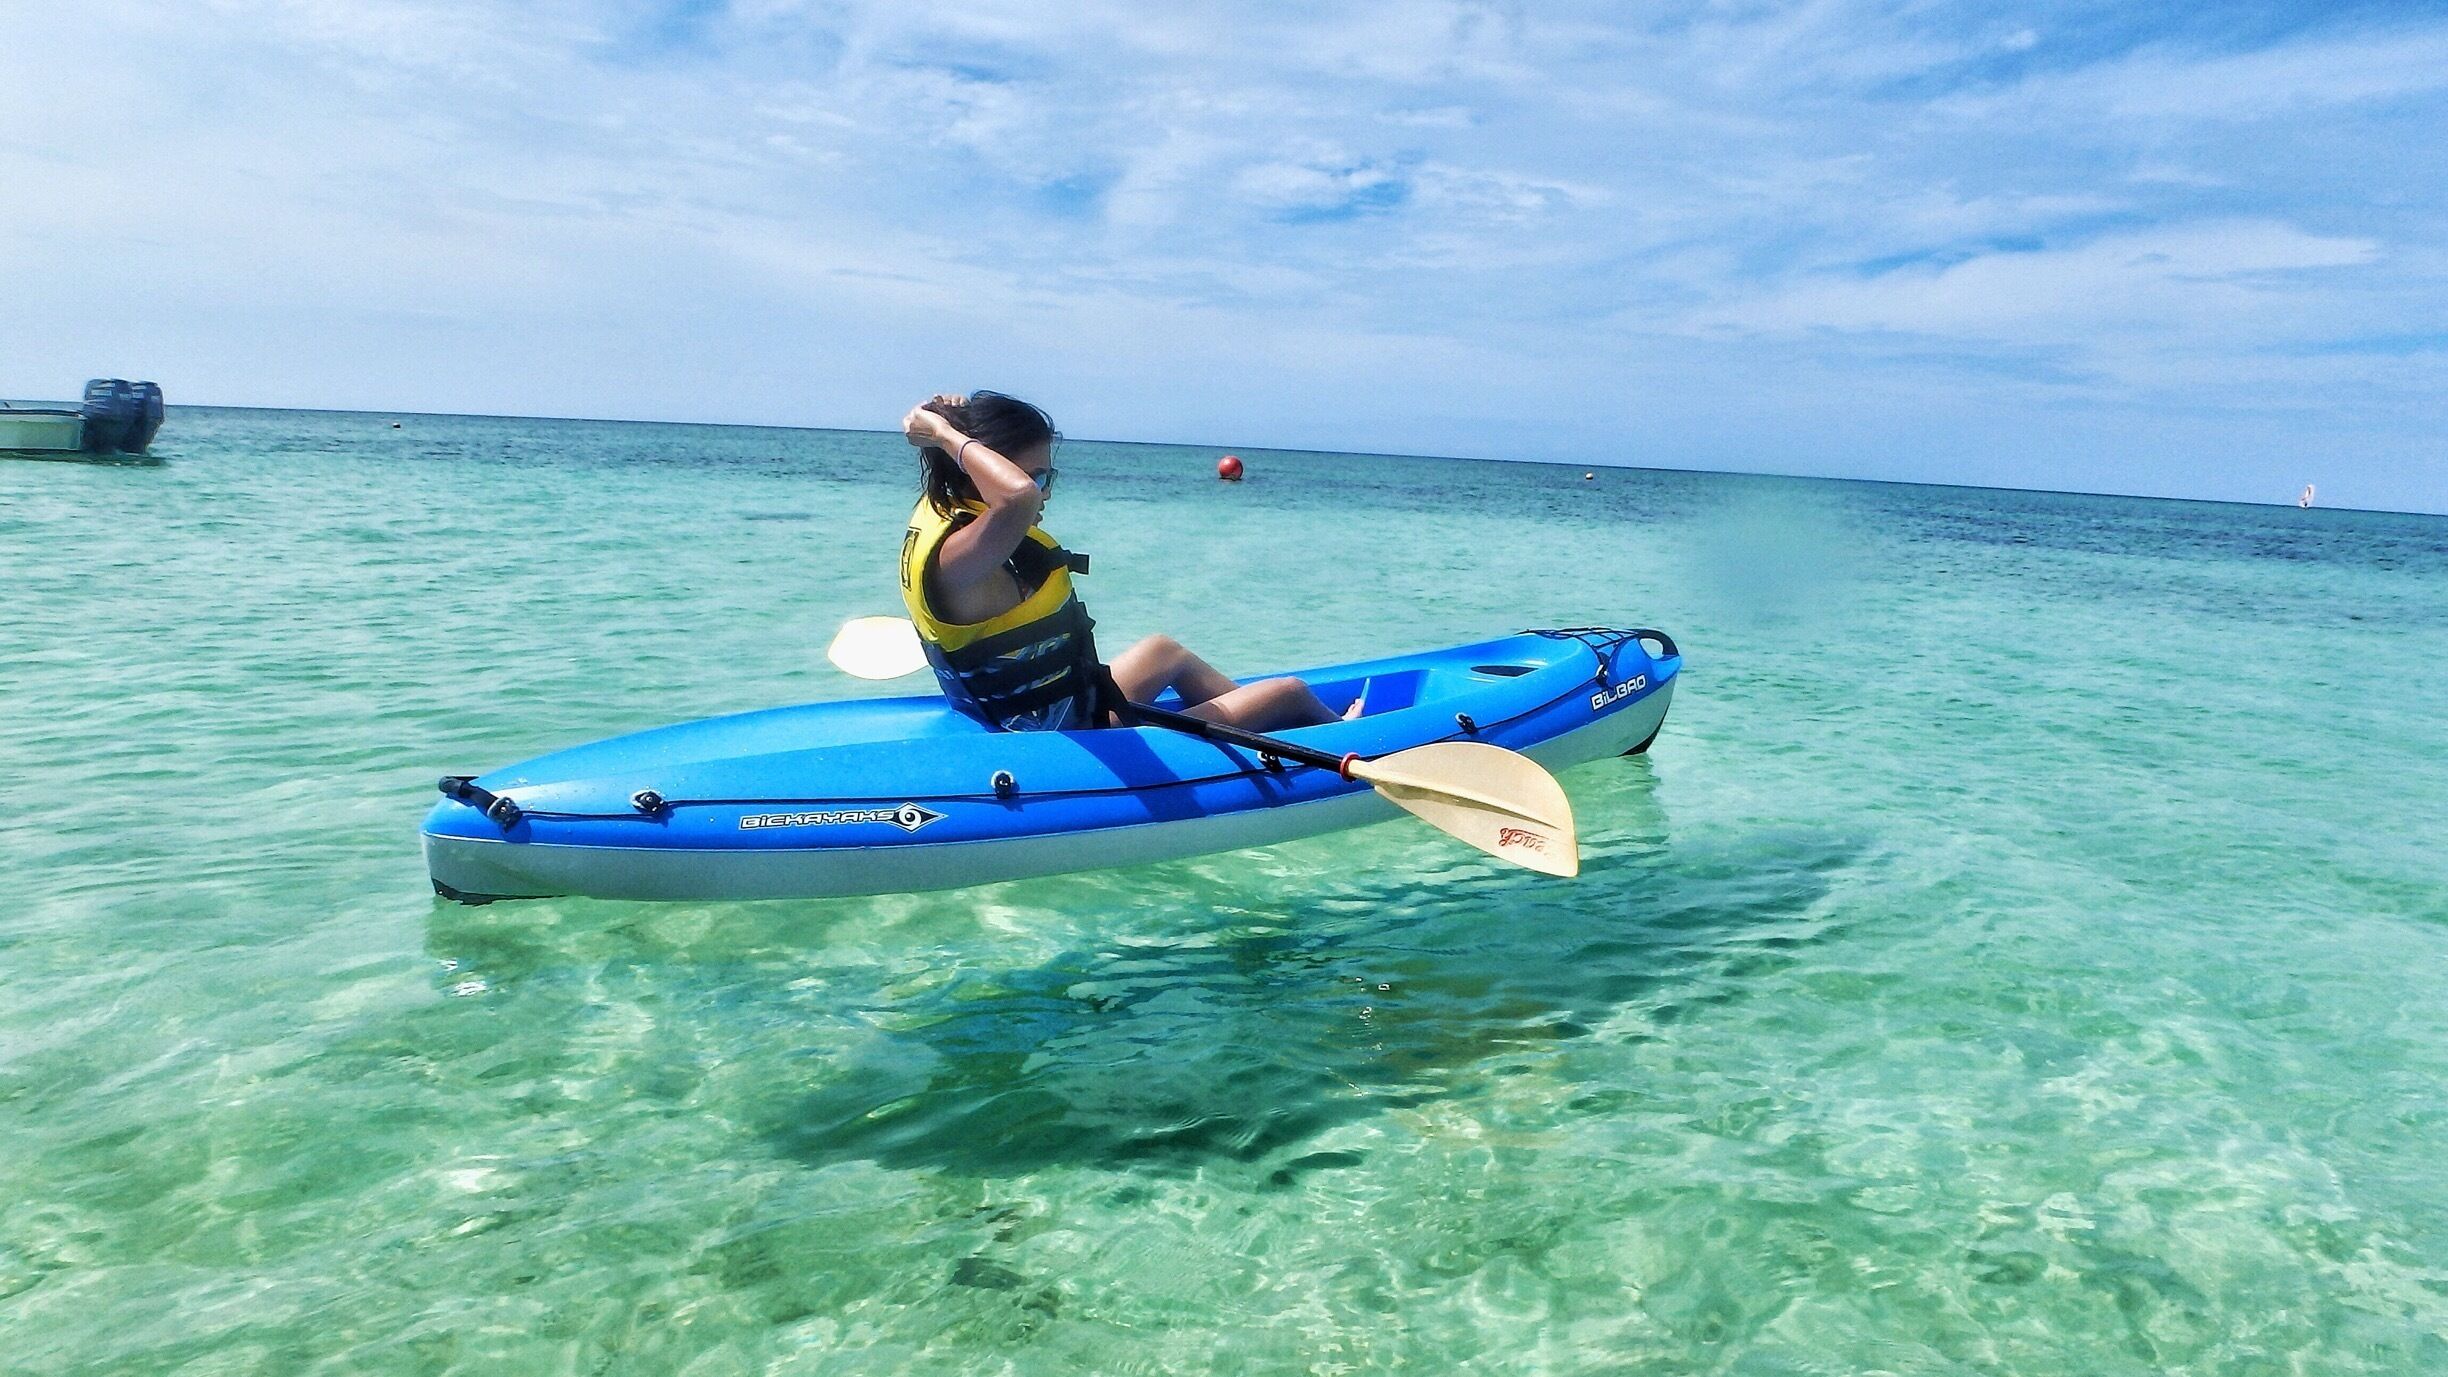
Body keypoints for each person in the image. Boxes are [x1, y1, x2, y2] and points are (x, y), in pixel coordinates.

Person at [898, 391, 1346, 733]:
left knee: (1163, 651)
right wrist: (944, 433)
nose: (1043, 490)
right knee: (1291, 691)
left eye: (1047, 476)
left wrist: (941, 418)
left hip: (1066, 703)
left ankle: (1252, 736)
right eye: (1036, 475)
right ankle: (1346, 739)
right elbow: (1017, 495)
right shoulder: (962, 557)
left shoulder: (949, 514)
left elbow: (1000, 483)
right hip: (1055, 734)